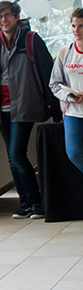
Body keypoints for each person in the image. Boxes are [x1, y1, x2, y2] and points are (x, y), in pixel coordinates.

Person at [0, 1, 61, 219]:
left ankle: (36, 202)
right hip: (2, 108)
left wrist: (56, 109)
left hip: (24, 105)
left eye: (7, 15)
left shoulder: (31, 39)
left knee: (16, 153)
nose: (3, 21)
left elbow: (48, 73)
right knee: (12, 156)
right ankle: (25, 203)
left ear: (17, 16)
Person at [49, 9, 83, 174]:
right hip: (73, 113)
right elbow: (54, 84)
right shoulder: (65, 52)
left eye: (81, 26)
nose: (76, 30)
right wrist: (68, 96)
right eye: (73, 26)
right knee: (74, 153)